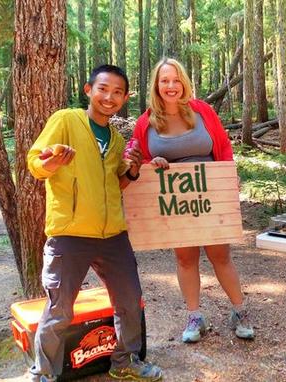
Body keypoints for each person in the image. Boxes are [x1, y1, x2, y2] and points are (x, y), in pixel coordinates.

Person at [27, 65, 162, 382]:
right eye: (103, 89)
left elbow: (115, 185)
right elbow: (35, 162)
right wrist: (50, 162)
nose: (109, 97)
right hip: (69, 235)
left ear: (125, 98)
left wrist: (131, 171)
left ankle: (124, 361)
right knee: (59, 309)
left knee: (129, 300)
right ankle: (43, 373)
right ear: (89, 90)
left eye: (117, 92)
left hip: (113, 235)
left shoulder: (116, 139)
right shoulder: (66, 120)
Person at [132, 58, 254, 343]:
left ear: (183, 82)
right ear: (156, 86)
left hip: (208, 197)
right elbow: (141, 160)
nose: (171, 86)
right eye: (165, 81)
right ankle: (195, 316)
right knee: (185, 259)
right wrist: (153, 163)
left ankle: (239, 311)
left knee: (220, 256)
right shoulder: (146, 122)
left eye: (176, 80)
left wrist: (229, 182)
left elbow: (223, 148)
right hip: (176, 202)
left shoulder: (202, 111)